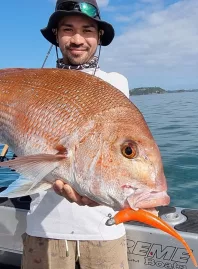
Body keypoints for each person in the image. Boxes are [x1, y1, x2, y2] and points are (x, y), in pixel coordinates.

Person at [21, 1, 130, 268]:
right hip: (44, 230)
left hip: (104, 231)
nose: (78, 39)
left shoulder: (114, 83)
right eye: (68, 29)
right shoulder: (32, 87)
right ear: (56, 35)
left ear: (99, 37)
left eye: (88, 30)